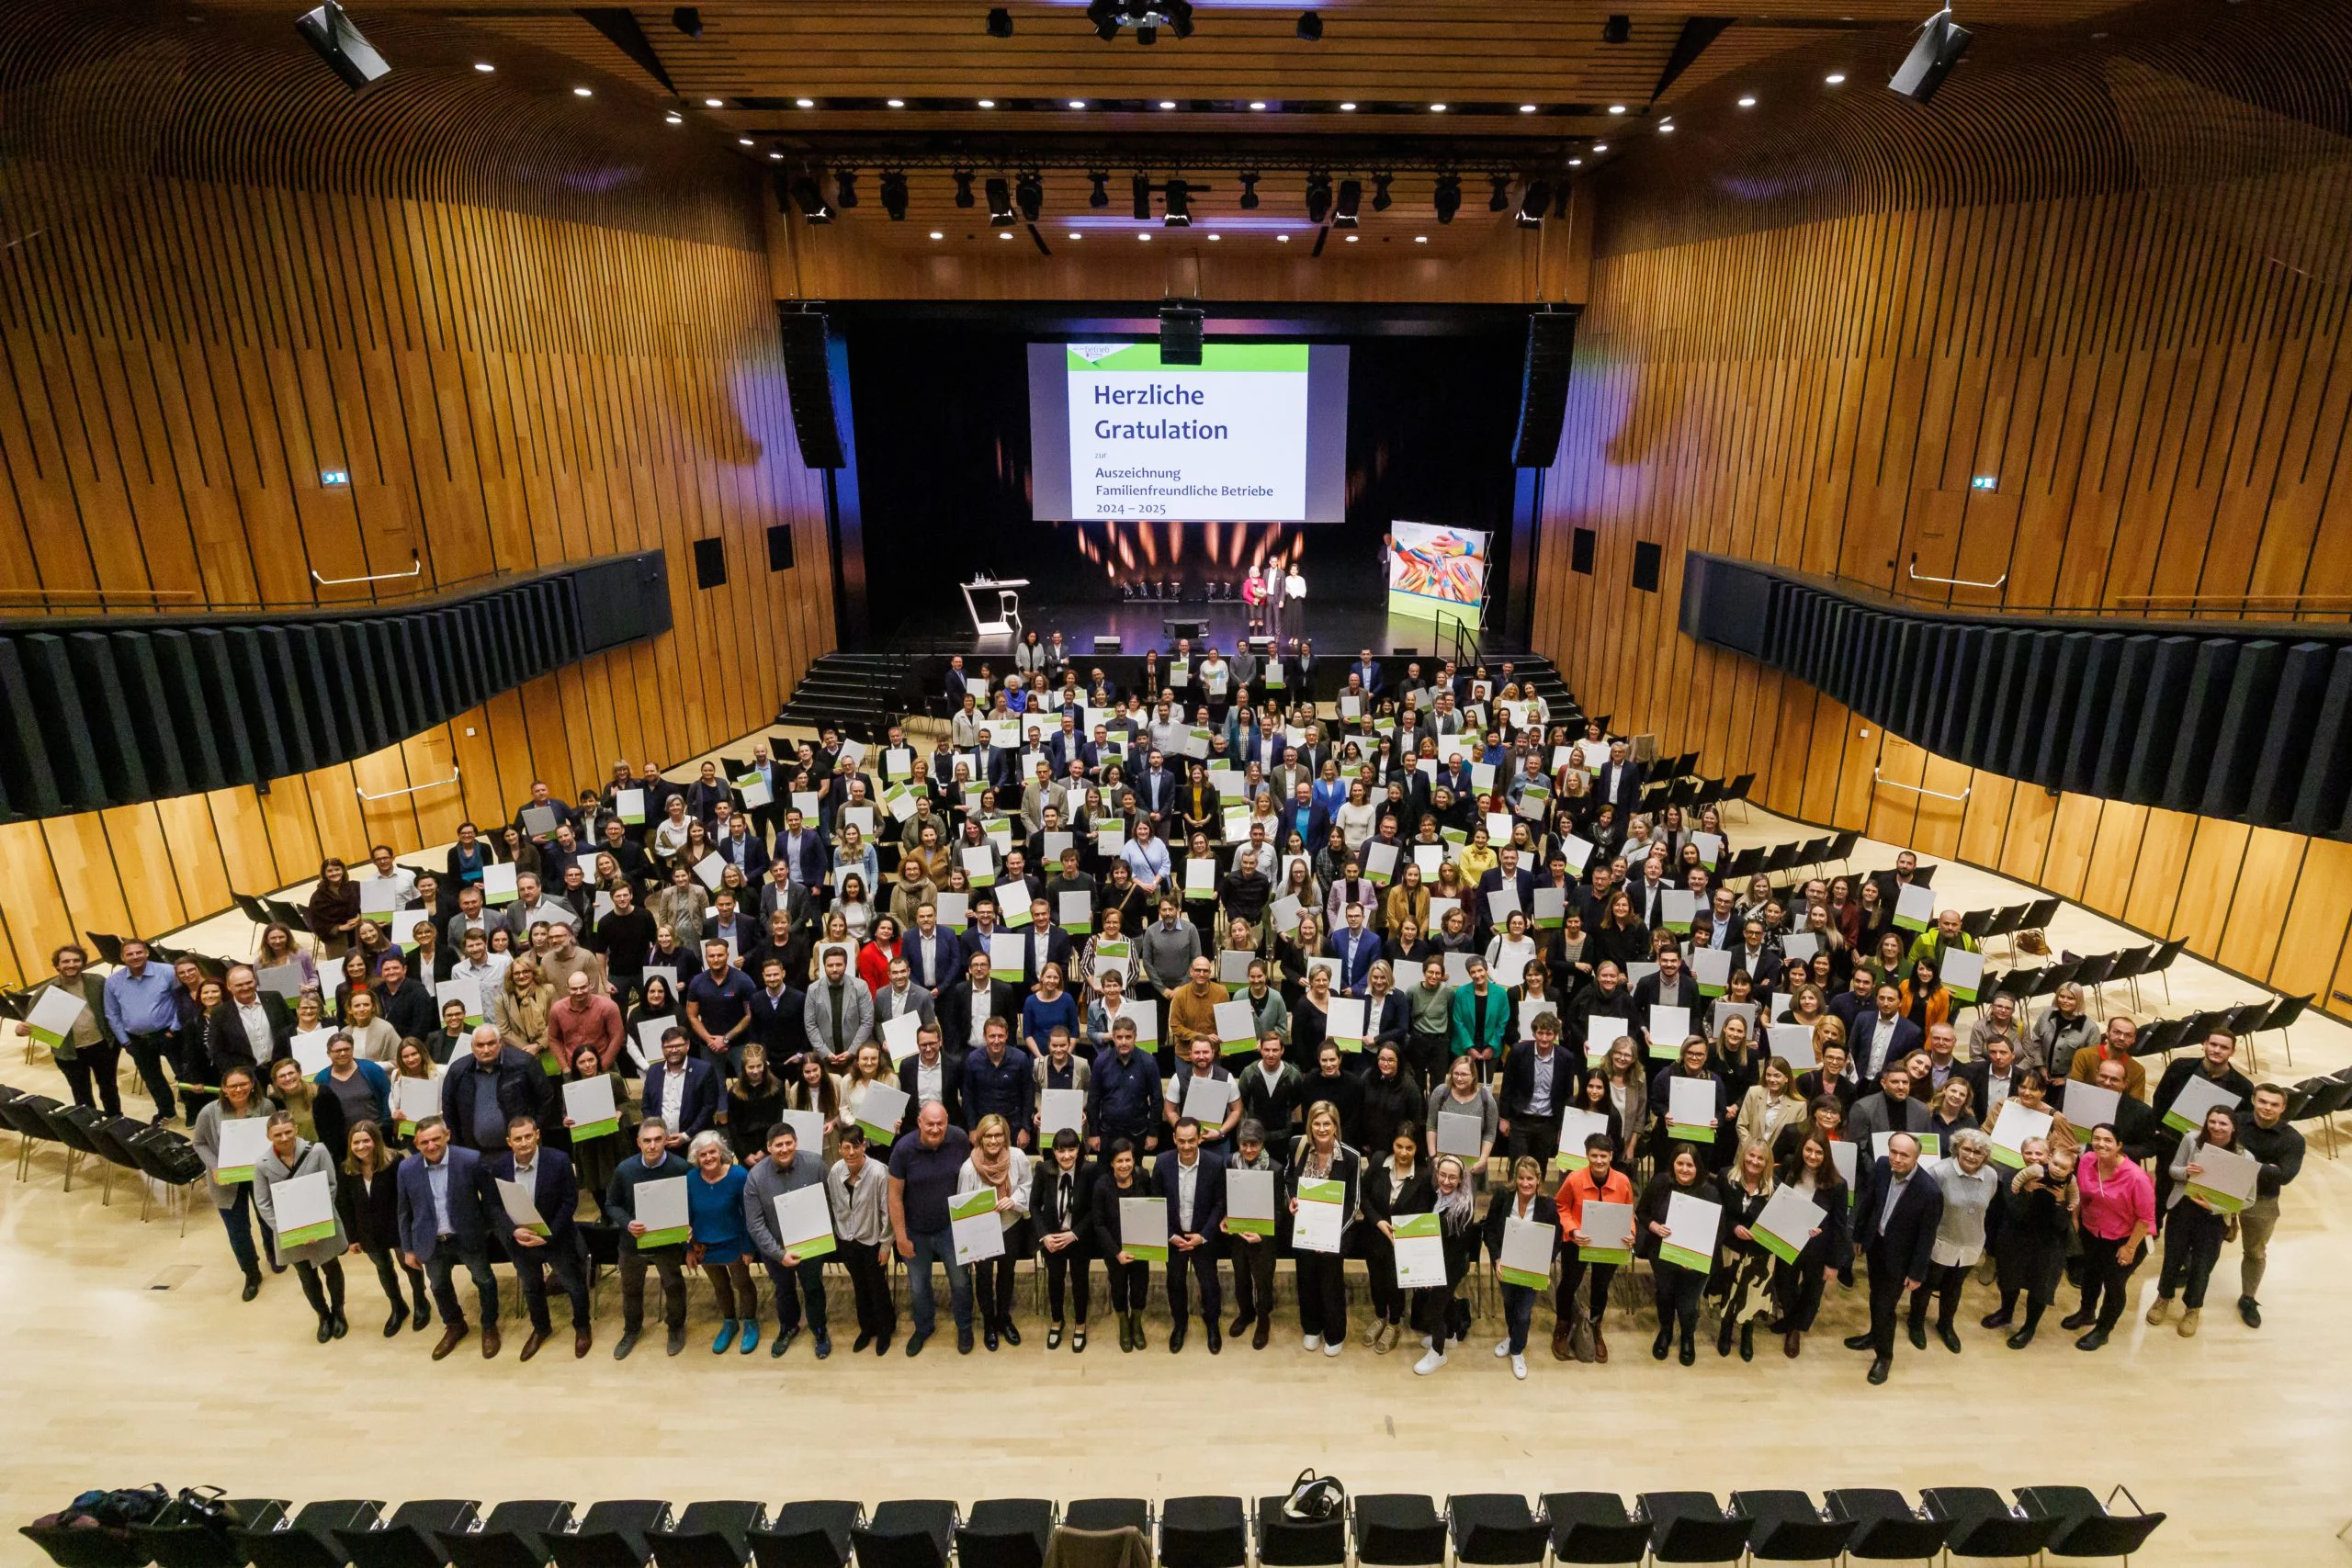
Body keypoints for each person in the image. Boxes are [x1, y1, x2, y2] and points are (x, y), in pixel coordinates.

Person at [394, 1116, 502, 1360]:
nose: (431, 1146)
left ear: (447, 1135)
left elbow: (491, 1200)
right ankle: (455, 1325)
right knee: (439, 1286)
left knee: (484, 1280)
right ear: (416, 1143)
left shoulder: (470, 1160)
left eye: (436, 1139)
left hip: (467, 1236)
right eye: (424, 1142)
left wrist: (487, 1230)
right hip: (430, 1240)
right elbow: (404, 1211)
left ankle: (489, 1326)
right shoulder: (406, 1169)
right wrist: (408, 1249)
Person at [489, 1113, 592, 1360]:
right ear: (509, 1142)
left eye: (528, 1136)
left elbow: (569, 1202)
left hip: (557, 1238)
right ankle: (541, 1328)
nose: (524, 1143)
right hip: (521, 1242)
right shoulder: (499, 1167)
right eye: (518, 1139)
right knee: (532, 1287)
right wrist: (513, 1231)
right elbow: (493, 1206)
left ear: (537, 1135)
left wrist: (549, 1235)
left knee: (574, 1284)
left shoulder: (559, 1160)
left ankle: (582, 1327)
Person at [1844, 1131, 1943, 1385]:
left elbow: (1926, 1237)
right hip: (1876, 1246)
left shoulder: (1930, 1191)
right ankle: (1874, 1335)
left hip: (1901, 1258)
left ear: (1917, 1157)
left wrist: (1917, 1273)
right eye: (1894, 1152)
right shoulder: (1881, 1166)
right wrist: (1859, 1236)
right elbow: (1868, 1202)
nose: (1897, 1159)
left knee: (1885, 1307)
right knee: (1875, 1296)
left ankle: (1884, 1356)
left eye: (1904, 1155)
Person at [251, 1110, 349, 1343]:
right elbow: (263, 1203)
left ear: (295, 1129)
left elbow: (331, 1185)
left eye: (287, 1132)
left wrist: (316, 1223)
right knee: (306, 1275)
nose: (284, 1138)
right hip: (289, 1232)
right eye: (278, 1134)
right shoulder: (262, 1164)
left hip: (322, 1223)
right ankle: (322, 1315)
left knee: (332, 1268)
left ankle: (338, 1311)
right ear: (268, 1136)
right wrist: (287, 1229)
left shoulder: (318, 1151)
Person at [888, 1101, 977, 1355]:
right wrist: (901, 1237)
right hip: (915, 1231)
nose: (936, 1129)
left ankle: (964, 1326)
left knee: (960, 1282)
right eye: (930, 1124)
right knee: (918, 1286)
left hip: (951, 1229)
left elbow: (972, 1175)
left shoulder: (959, 1139)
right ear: (919, 1123)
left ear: (947, 1121)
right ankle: (924, 1327)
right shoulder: (903, 1149)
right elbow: (894, 1196)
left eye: (940, 1123)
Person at [2148, 1105, 2243, 1337]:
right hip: (2183, 1209)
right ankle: (2163, 1297)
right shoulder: (2191, 1140)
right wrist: (2186, 1172)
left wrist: (2215, 1207)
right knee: (2172, 1257)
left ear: (2233, 1127)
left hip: (2213, 1218)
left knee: (2202, 1266)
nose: (2217, 1127)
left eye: (2223, 1123)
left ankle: (2193, 1308)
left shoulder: (2243, 1156)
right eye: (2212, 1121)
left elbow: (2247, 1200)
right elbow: (2173, 1170)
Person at [741, 1122, 832, 1359]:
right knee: (784, 1290)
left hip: (811, 1244)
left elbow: (831, 1201)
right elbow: (755, 1223)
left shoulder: (816, 1165)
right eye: (778, 1145)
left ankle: (819, 1330)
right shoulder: (755, 1177)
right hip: (776, 1248)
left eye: (788, 1143)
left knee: (814, 1288)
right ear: (769, 1147)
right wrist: (779, 1254)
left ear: (796, 1143)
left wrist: (824, 1235)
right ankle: (789, 1327)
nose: (784, 1149)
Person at [2064, 1122, 2155, 1350]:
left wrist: (2130, 1248)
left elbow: (2146, 1218)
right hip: (2093, 1231)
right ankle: (2086, 1313)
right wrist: (2075, 1219)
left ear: (2119, 1145)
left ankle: (2103, 1330)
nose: (2101, 1144)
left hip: (2126, 1239)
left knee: (2114, 1285)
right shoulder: (2087, 1160)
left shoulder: (2137, 1177)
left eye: (2107, 1140)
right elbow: (2079, 1191)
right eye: (2096, 1138)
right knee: (2091, 1274)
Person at [1907, 1128, 1999, 1355]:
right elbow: (1924, 1209)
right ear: (1957, 1148)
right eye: (1967, 1149)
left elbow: (1987, 1205)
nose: (1971, 1155)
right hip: (1941, 1241)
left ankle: (1945, 1325)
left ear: (1985, 1156)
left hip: (1971, 1243)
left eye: (1978, 1152)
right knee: (1927, 1285)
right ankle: (1915, 1323)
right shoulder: (1938, 1172)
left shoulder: (1991, 1176)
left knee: (1954, 1287)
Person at [336, 1119, 428, 1337]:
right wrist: (352, 1237)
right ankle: (398, 1306)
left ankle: (421, 1301)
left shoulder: (395, 1162)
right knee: (383, 1268)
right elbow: (344, 1204)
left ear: (376, 1140)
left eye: (366, 1141)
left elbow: (408, 1197)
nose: (361, 1147)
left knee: (409, 1264)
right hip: (368, 1231)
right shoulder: (347, 1169)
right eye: (356, 1143)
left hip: (397, 1225)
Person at [1980, 1134, 2074, 1348]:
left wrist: (2060, 1200)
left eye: (2039, 1153)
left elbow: (2063, 1223)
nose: (2034, 1157)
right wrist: (2027, 1192)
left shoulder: (2065, 1180)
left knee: (2039, 1287)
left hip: (2048, 1245)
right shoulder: (2011, 1176)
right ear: (2021, 1155)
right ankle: (2006, 1312)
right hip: (2016, 1238)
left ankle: (2029, 1327)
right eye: (2028, 1153)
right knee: (2009, 1279)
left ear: (2049, 1155)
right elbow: (2017, 1213)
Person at [1286, 1100, 1362, 1357]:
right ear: (1310, 1125)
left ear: (1335, 1126)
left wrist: (1331, 1236)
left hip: (1335, 1235)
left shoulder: (1350, 1157)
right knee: (1306, 1278)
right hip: (1305, 1230)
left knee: (1331, 1283)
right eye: (1316, 1124)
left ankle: (1335, 1333)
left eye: (1327, 1124)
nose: (1321, 1129)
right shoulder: (1298, 1146)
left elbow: (1354, 1203)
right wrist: (1292, 1198)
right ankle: (1311, 1328)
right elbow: (1288, 1178)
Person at [1767, 1131, 1849, 1359]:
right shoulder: (1789, 1167)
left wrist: (1833, 1263)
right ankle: (1791, 1320)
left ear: (1826, 1154)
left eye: (1818, 1152)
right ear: (1801, 1149)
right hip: (1788, 1241)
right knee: (1785, 1285)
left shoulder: (1838, 1185)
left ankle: (1794, 1329)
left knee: (1812, 1292)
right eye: (1808, 1150)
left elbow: (1840, 1226)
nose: (1812, 1156)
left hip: (1818, 1249)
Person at [957, 1113, 1035, 1350]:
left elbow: (1028, 1185)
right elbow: (962, 1207)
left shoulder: (1017, 1157)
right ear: (980, 1138)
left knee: (1007, 1274)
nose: (993, 1141)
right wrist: (969, 1245)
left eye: (998, 1135)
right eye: (988, 1136)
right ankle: (989, 1322)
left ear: (1005, 1136)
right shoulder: (969, 1168)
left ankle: (1004, 1318)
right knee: (983, 1277)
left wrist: (1014, 1200)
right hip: (981, 1232)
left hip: (1010, 1225)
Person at [1404, 1152, 1481, 1377]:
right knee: (1445, 1303)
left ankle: (1438, 1353)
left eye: (1452, 1177)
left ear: (1461, 1179)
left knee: (1433, 1311)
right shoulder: (1435, 1195)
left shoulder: (1464, 1208)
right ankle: (1450, 1337)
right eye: (1443, 1175)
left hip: (1449, 1266)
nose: (1446, 1181)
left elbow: (1451, 1250)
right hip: (1435, 1261)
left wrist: (1431, 1274)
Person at [1154, 1116, 1226, 1353]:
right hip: (1174, 1237)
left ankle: (1212, 1324)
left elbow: (1220, 1203)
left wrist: (1203, 1236)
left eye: (1191, 1141)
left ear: (1199, 1139)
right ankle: (1180, 1325)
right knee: (1175, 1283)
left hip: (1202, 1237)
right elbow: (1155, 1202)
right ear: (1174, 1139)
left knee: (1210, 1284)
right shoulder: (1162, 1162)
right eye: (1181, 1141)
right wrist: (1169, 1235)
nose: (1186, 1146)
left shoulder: (1215, 1163)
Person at [682, 1130, 757, 1353]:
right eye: (703, 1154)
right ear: (697, 1157)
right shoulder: (690, 1179)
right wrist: (689, 1249)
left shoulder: (739, 1175)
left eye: (712, 1152)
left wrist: (749, 1247)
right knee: (720, 1286)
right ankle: (729, 1322)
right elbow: (686, 1216)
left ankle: (750, 1322)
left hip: (734, 1243)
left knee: (742, 1284)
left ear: (721, 1152)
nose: (708, 1158)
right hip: (704, 1247)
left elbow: (749, 1214)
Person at [2236, 1083, 2304, 1328]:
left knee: (2255, 1251)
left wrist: (2241, 1162)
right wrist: (2268, 1168)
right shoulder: (2235, 1121)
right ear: (2253, 1100)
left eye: (2274, 1104)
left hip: (2262, 1198)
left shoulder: (2293, 1139)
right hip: (2226, 1186)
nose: (2267, 1107)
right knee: (2203, 1236)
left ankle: (2248, 1298)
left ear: (2283, 1108)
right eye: (2263, 1101)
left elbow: (2285, 1176)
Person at [1483, 1156, 1556, 1380]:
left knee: (1524, 1312)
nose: (1526, 1183)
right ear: (1515, 1178)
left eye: (1530, 1179)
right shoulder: (1503, 1196)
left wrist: (1545, 1266)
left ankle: (1517, 1350)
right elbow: (1490, 1229)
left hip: (1532, 1267)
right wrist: (1496, 1258)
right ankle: (1512, 1336)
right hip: (1505, 1262)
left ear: (1538, 1180)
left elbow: (1556, 1238)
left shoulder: (1547, 1204)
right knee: (1509, 1303)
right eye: (1521, 1178)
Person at [1360, 1123, 1431, 1352]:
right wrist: (1378, 1221)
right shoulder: (1379, 1161)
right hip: (1375, 1235)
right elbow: (1362, 1196)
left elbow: (1424, 1211)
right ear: (1392, 1144)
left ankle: (1394, 1323)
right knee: (1376, 1280)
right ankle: (1380, 1316)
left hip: (1402, 1243)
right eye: (1399, 1146)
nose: (1403, 1152)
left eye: (1409, 1148)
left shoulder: (1424, 1175)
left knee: (1395, 1284)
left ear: (1417, 1148)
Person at [826, 1123, 896, 1354]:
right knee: (859, 1286)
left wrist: (886, 1245)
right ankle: (867, 1328)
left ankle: (885, 1329)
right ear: (839, 1148)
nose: (852, 1152)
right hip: (847, 1239)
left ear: (864, 1146)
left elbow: (887, 1212)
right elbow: (835, 1205)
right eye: (846, 1147)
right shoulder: (835, 1172)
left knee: (877, 1287)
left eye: (856, 1147)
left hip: (872, 1240)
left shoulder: (879, 1172)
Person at [1030, 1129, 1096, 1351]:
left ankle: (1080, 1324)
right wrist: (1044, 1235)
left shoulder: (1089, 1171)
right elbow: (1034, 1205)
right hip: (1053, 1238)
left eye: (1071, 1149)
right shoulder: (1043, 1169)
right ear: (1054, 1151)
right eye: (1061, 1151)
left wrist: (1075, 1233)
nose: (1066, 1156)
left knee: (1080, 1282)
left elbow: (1094, 1209)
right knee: (1055, 1281)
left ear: (1079, 1150)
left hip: (1078, 1238)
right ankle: (1057, 1321)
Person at [1094, 1138, 1157, 1352]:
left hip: (1140, 1247)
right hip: (1114, 1248)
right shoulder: (1102, 1186)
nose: (1124, 1165)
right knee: (1118, 1287)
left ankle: (1136, 1322)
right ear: (1112, 1163)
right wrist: (1117, 1252)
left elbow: (1153, 1208)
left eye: (1128, 1160)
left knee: (1140, 1286)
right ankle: (1123, 1322)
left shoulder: (1143, 1178)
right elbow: (1099, 1224)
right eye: (1119, 1161)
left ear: (1134, 1160)